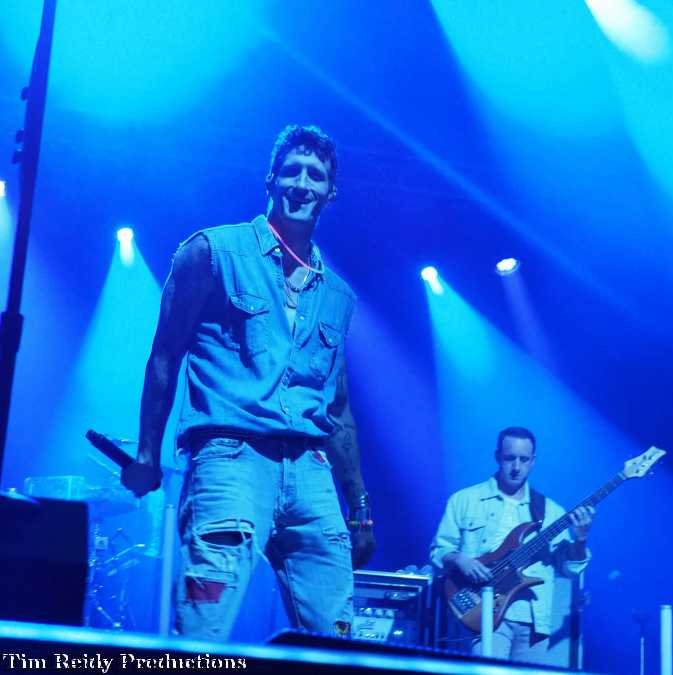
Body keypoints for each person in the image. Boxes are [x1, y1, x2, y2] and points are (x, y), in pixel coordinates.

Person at [121, 124, 374, 640]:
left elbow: (338, 408)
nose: (302, 184)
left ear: (331, 191)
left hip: (311, 469)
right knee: (203, 634)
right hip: (230, 457)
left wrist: (361, 508)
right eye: (292, 171)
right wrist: (148, 452)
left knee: (336, 641)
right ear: (270, 180)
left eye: (316, 175)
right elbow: (165, 354)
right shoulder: (212, 251)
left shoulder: (338, 295)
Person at [430, 426, 593, 665]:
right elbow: (438, 551)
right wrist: (461, 560)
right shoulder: (464, 500)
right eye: (510, 458)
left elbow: (569, 569)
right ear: (498, 457)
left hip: (534, 619)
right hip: (483, 612)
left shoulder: (551, 511)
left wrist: (580, 539)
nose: (516, 467)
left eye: (524, 459)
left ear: (533, 461)